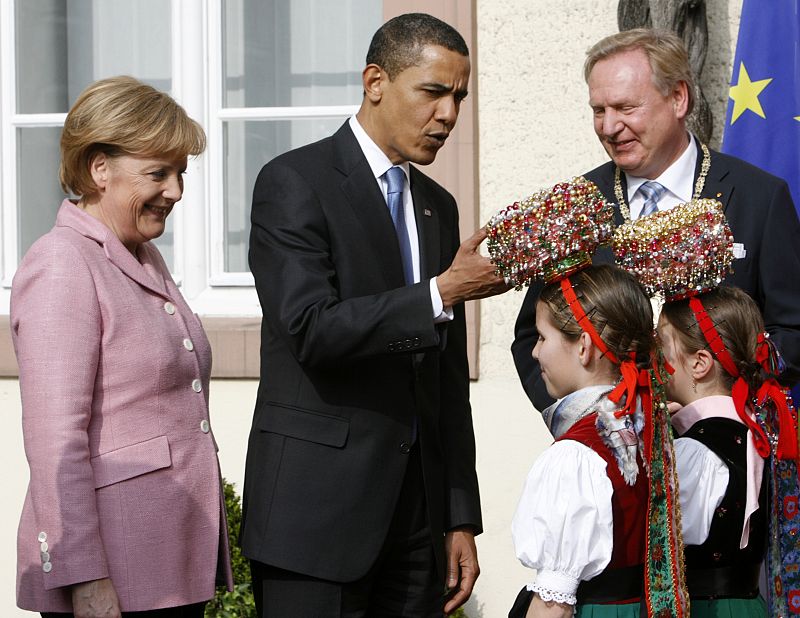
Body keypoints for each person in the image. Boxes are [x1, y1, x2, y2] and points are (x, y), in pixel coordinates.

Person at [241, 12, 508, 618]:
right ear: (375, 81)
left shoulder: (437, 205)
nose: (448, 115)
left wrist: (459, 515)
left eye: (459, 97)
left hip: (417, 527)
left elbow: (445, 384)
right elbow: (311, 328)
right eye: (433, 92)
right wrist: (438, 294)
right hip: (313, 523)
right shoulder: (293, 182)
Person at [11, 76, 232, 617]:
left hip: (168, 561)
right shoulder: (63, 262)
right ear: (98, 168)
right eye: (158, 172)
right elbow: (54, 440)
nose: (176, 191)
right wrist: (84, 577)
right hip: (114, 569)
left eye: (180, 172)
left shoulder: (141, 256)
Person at [511, 28, 800, 411]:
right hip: (611, 452)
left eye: (626, 108)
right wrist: (585, 418)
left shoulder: (758, 197)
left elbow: (791, 330)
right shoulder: (576, 208)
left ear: (678, 98)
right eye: (599, 110)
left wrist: (722, 404)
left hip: (729, 444)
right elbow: (532, 334)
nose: (609, 127)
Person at [490, 178, 688, 618]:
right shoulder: (648, 424)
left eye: (542, 338)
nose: (535, 352)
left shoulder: (575, 457)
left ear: (583, 346)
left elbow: (553, 604)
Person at [659, 287, 769, 616]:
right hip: (750, 606)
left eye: (661, 346)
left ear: (699, 363)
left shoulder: (693, 450)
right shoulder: (759, 433)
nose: (652, 360)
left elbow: (663, 553)